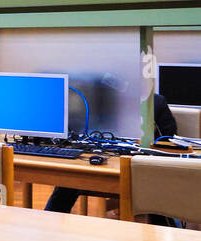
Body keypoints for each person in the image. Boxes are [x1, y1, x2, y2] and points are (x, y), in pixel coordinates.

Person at [45, 94, 178, 224]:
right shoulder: (99, 97)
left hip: (139, 168)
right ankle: (50, 229)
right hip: (96, 161)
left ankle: (166, 232)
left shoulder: (154, 102)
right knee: (69, 178)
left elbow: (168, 139)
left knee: (151, 189)